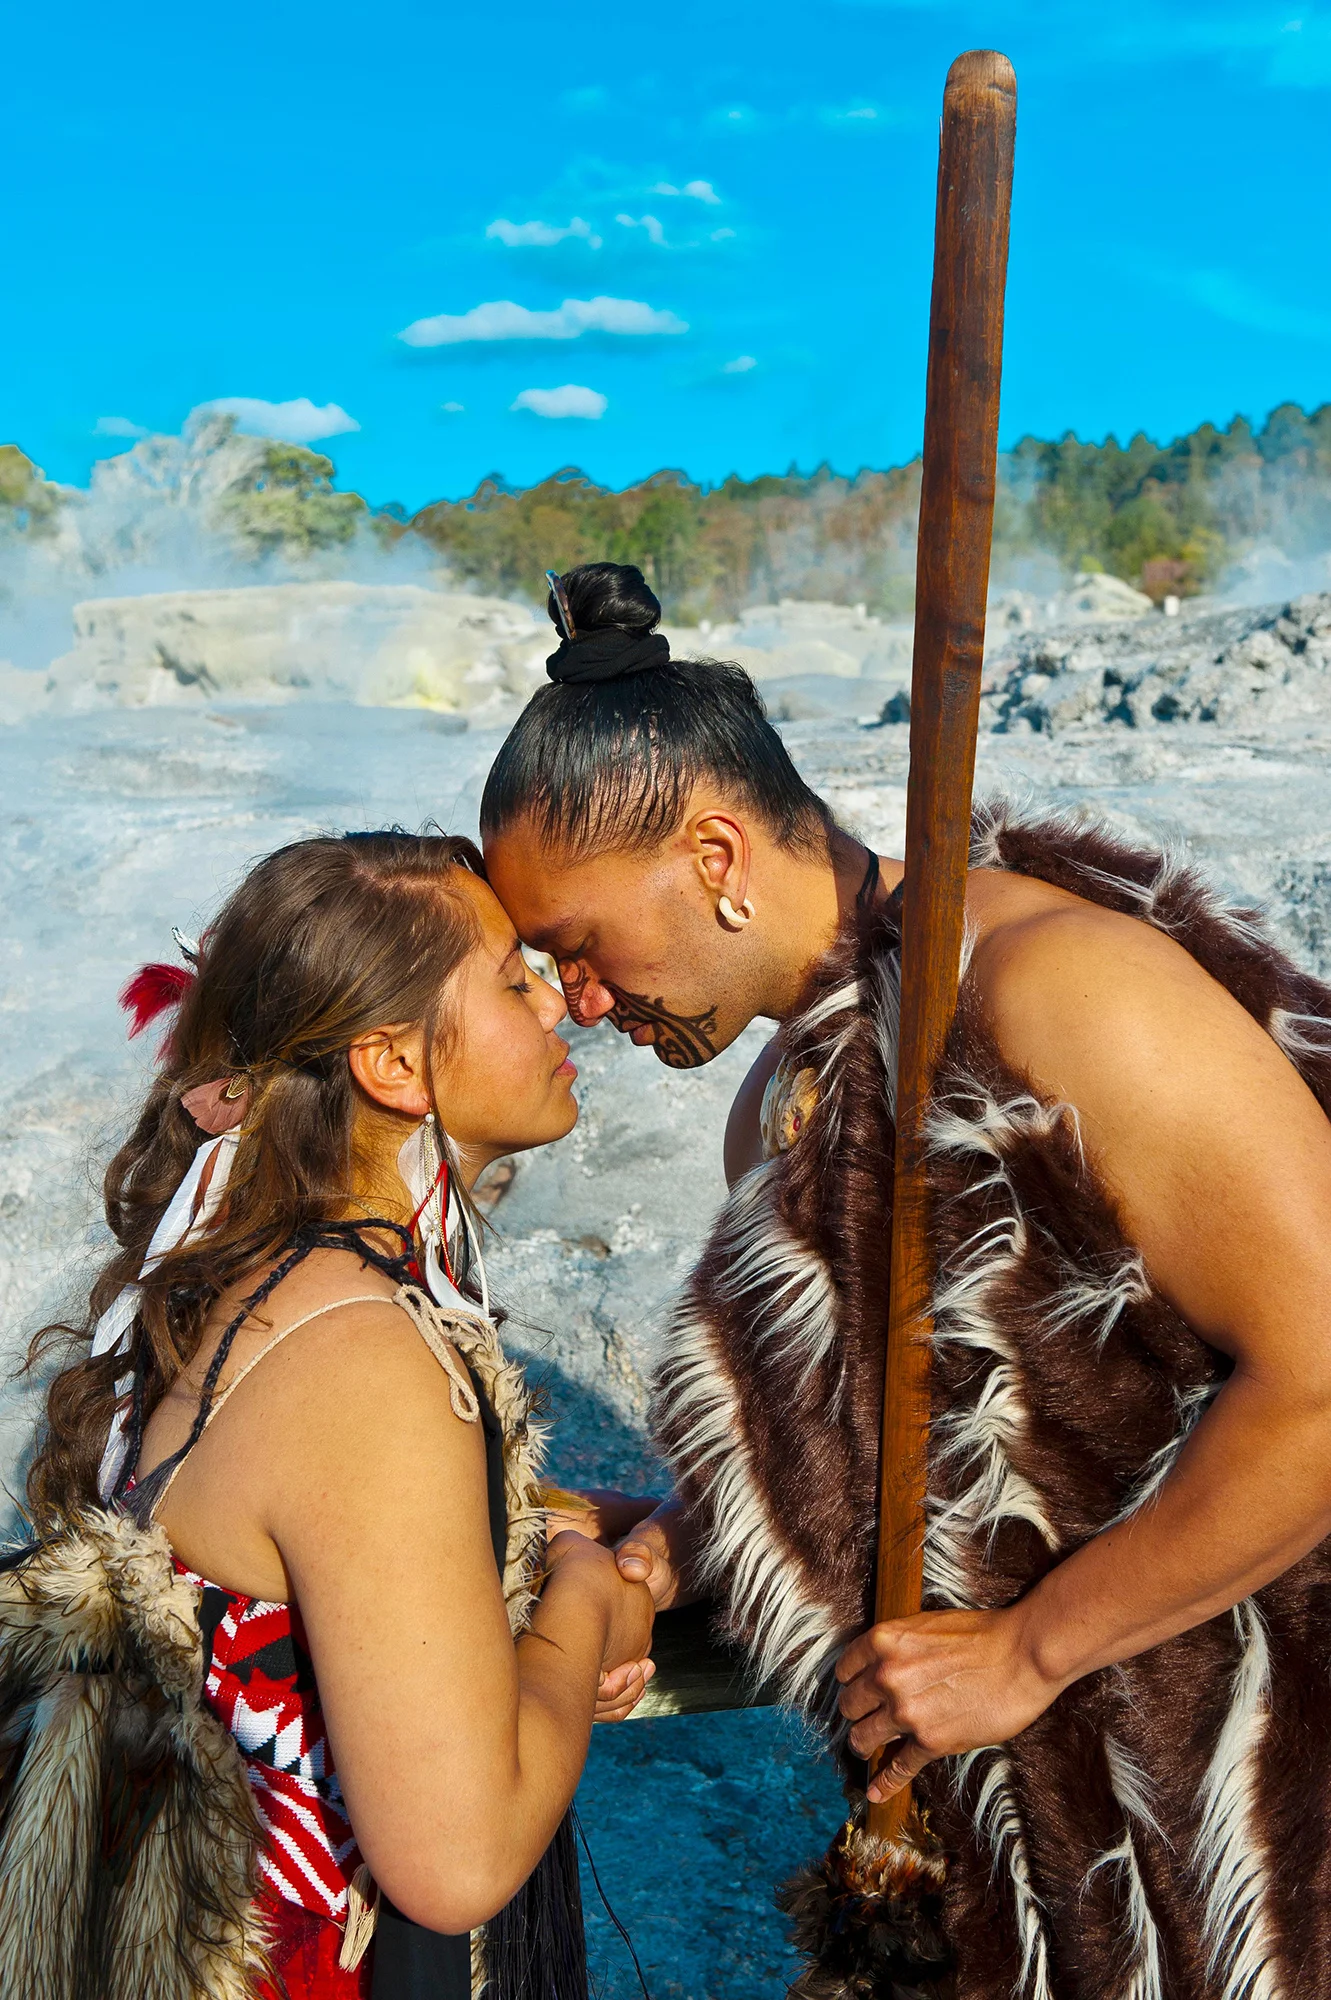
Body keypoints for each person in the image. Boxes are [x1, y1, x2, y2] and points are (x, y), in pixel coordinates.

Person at [480, 562, 1331, 1993]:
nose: (576, 999)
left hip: (1249, 1814)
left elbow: (1316, 1382)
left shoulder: (1057, 993)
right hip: (1029, 1861)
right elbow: (927, 1451)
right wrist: (702, 1536)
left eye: (576, 946)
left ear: (712, 856)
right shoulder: (787, 1102)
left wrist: (1028, 1650)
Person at [15, 829, 654, 2000]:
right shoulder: (366, 1362)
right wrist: (585, 1601)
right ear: (393, 1065)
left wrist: (587, 1521)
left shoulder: (260, 1275)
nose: (561, 1006)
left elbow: (339, 1540)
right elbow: (454, 1861)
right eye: (514, 980)